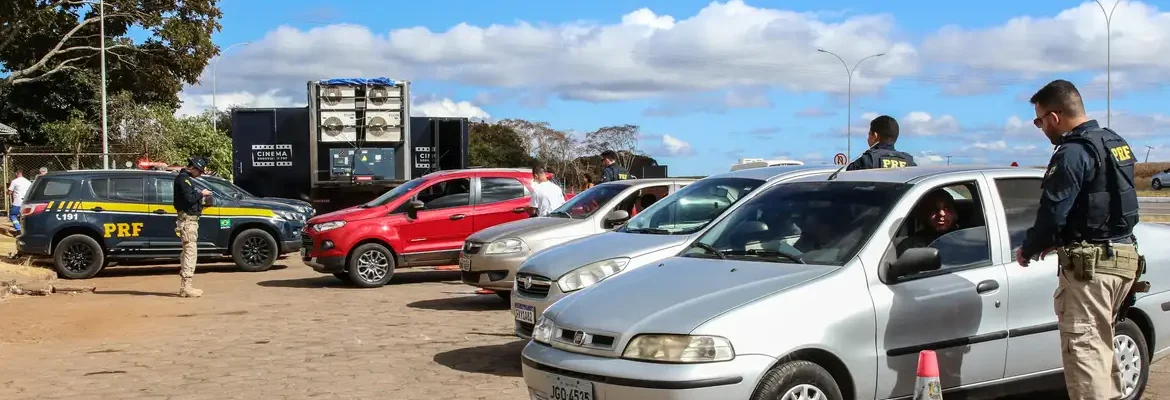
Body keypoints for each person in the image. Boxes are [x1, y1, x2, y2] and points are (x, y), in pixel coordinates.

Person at [1016, 79, 1143, 400]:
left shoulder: (1072, 151)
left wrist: (1028, 249)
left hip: (1091, 271)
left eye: (1040, 121)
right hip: (1123, 259)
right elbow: (1105, 205)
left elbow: (1053, 212)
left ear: (1054, 116)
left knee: (1085, 355)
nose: (1041, 128)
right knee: (1100, 351)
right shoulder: (1114, 142)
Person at [174, 157, 213, 298]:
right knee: (190, 252)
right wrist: (202, 194)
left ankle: (186, 286)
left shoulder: (185, 179)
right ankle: (186, 287)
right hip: (188, 221)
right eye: (200, 171)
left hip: (189, 221)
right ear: (193, 168)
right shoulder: (183, 179)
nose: (200, 174)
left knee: (188, 251)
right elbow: (189, 199)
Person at [895, 189, 960, 255]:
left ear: (955, 213)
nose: (942, 214)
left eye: (946, 208)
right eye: (934, 209)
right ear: (924, 214)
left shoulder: (964, 237)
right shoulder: (912, 245)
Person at [845, 115, 917, 171]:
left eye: (869, 134)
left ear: (875, 136)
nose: (867, 138)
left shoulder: (865, 161)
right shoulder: (910, 163)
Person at [7, 170, 31, 235]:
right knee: (26, 216)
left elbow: (9, 192)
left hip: (17, 202)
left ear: (16, 174)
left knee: (13, 215)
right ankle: (27, 230)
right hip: (26, 202)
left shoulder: (14, 181)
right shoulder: (28, 182)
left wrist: (8, 192)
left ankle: (18, 230)